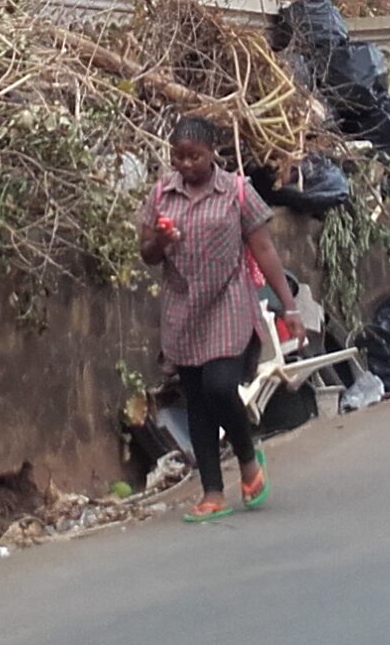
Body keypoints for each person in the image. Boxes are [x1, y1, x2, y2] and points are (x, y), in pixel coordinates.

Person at [139, 116, 297, 523]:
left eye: (195, 156)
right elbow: (147, 254)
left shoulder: (237, 192)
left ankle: (247, 455)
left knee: (220, 386)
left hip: (228, 302)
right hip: (182, 307)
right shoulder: (162, 195)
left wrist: (288, 305)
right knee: (196, 400)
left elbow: (263, 249)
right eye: (179, 156)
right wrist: (160, 238)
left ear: (213, 153)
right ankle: (212, 491)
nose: (186, 164)